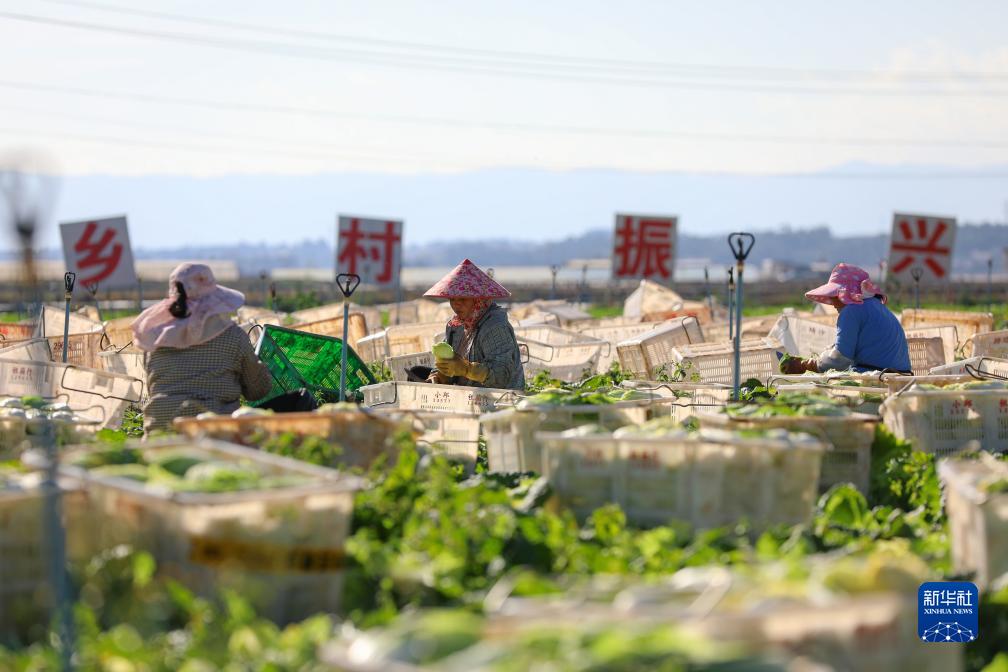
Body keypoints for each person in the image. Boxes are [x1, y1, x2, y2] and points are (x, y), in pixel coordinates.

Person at [132, 262, 273, 432]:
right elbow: (257, 391)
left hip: (159, 429)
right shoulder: (232, 335)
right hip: (215, 430)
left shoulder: (154, 337)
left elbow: (153, 387)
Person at [781, 263, 911, 374]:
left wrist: (805, 366)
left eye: (835, 295)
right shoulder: (876, 305)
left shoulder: (852, 310)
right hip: (902, 375)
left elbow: (840, 359)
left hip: (877, 376)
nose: (833, 302)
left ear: (845, 294)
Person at [423, 259, 525, 391]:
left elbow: (502, 376)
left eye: (463, 299)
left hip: (503, 397)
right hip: (468, 396)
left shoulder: (495, 326)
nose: (456, 304)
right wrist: (438, 375)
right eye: (452, 299)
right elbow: (446, 362)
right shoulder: (455, 326)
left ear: (479, 300)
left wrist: (467, 369)